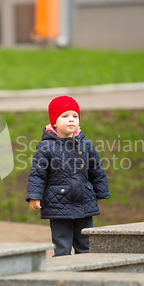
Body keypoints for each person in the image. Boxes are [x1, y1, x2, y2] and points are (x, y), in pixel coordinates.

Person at [26, 95, 110, 257]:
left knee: (85, 241)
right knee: (62, 243)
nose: (71, 120)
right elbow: (37, 173)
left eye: (75, 116)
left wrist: (100, 191)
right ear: (54, 123)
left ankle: (85, 271)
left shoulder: (86, 144)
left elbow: (96, 170)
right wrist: (34, 195)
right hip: (58, 203)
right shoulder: (46, 147)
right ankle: (63, 273)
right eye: (65, 116)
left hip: (84, 200)